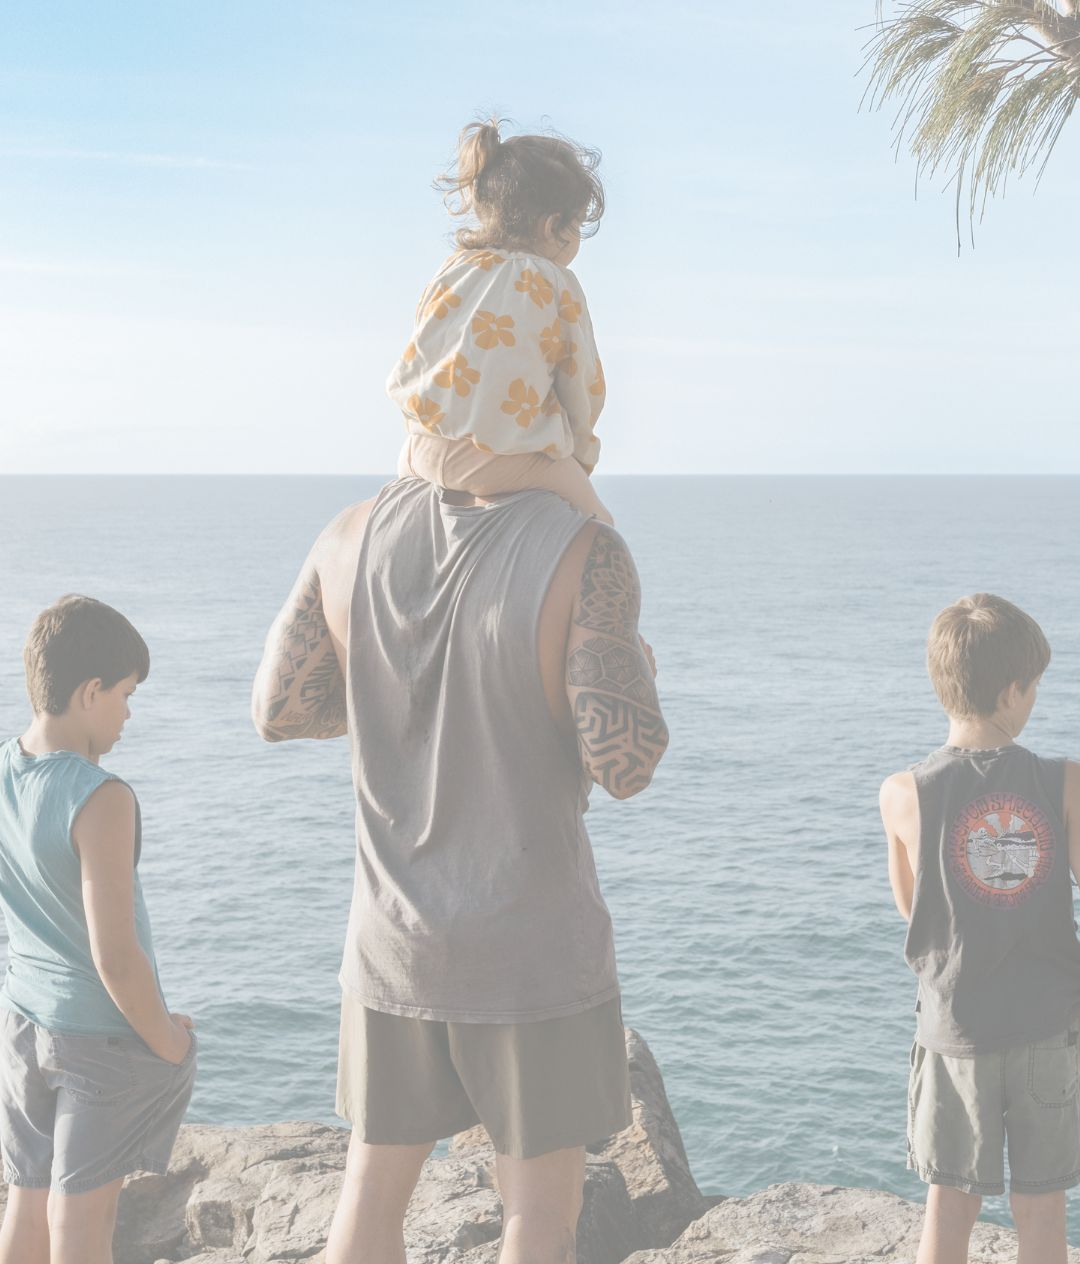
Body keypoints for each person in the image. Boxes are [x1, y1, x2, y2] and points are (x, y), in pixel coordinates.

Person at [252, 480, 668, 1263]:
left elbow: (278, 709)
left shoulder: (348, 532)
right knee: (539, 1213)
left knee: (371, 1190)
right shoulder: (583, 547)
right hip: (529, 948)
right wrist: (635, 675)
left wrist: (402, 688)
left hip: (391, 938)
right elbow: (624, 762)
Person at [879, 593, 1080, 1264]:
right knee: (1042, 1211)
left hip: (955, 1031)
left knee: (950, 1207)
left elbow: (914, 910)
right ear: (1013, 690)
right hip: (1047, 1029)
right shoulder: (1065, 784)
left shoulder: (904, 792)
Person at [0, 595, 196, 1264]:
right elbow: (116, 955)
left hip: (25, 1024)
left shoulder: (4, 771)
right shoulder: (99, 795)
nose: (128, 713)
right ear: (90, 692)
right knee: (84, 1224)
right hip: (99, 1040)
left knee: (28, 1202)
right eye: (125, 694)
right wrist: (167, 1038)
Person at [387, 116, 613, 525]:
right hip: (502, 458)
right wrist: (581, 456)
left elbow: (421, 352)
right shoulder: (555, 282)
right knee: (601, 532)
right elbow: (581, 385)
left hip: (419, 449)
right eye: (577, 225)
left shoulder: (453, 268)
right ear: (552, 226)